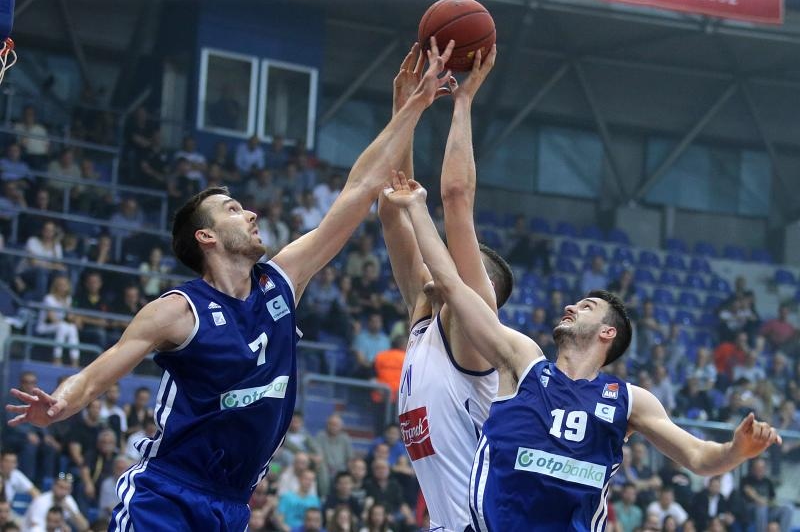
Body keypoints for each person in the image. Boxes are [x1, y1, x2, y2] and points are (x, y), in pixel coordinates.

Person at [6, 40, 456, 531]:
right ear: (208, 237)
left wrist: (410, 106)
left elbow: (360, 189)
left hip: (233, 505)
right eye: (234, 210)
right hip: (168, 495)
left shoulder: (282, 281)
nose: (252, 212)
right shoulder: (178, 311)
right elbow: (98, 373)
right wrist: (63, 402)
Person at [382, 170, 782, 532]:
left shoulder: (628, 400)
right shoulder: (523, 364)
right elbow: (453, 286)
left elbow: (697, 456)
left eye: (586, 306)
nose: (571, 306)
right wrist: (417, 210)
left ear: (608, 332)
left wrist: (736, 451)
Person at [380, 41, 505, 532]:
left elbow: (455, 197)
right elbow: (395, 208)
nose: (441, 260)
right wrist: (407, 108)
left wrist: (464, 100)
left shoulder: (473, 335)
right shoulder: (426, 313)